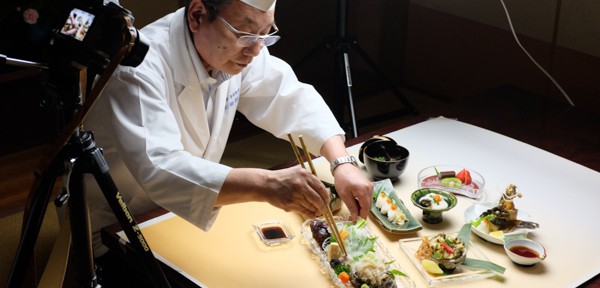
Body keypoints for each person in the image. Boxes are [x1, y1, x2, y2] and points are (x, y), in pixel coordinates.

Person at [84, 0, 373, 284]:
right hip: (122, 221)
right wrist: (268, 184)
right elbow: (161, 167)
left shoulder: (235, 48)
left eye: (266, 33)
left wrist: (342, 163)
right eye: (246, 34)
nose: (256, 49)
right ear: (197, 15)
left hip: (189, 215)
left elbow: (288, 96)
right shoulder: (139, 66)